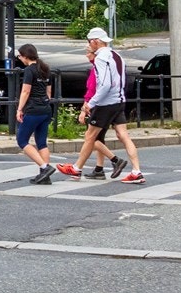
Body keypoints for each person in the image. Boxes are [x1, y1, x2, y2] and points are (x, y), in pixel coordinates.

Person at [58, 28, 144, 183]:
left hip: (106, 103)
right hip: (119, 100)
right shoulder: (117, 56)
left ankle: (77, 169)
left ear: (95, 41)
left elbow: (104, 84)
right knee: (123, 136)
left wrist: (90, 103)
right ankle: (136, 171)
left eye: (89, 42)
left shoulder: (101, 58)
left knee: (90, 136)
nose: (89, 45)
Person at [14, 44, 55, 183]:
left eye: (19, 56)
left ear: (25, 56)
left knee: (22, 140)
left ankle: (45, 168)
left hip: (33, 109)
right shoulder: (46, 69)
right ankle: (45, 178)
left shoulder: (29, 70)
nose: (19, 59)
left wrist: (20, 109)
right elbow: (49, 93)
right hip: (45, 109)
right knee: (41, 142)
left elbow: (26, 91)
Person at [74, 45, 116, 178]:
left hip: (97, 106)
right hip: (105, 105)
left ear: (95, 54)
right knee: (99, 138)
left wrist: (84, 109)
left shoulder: (96, 70)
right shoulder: (99, 68)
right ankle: (99, 169)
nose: (86, 55)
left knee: (90, 137)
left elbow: (92, 91)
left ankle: (115, 160)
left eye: (88, 52)